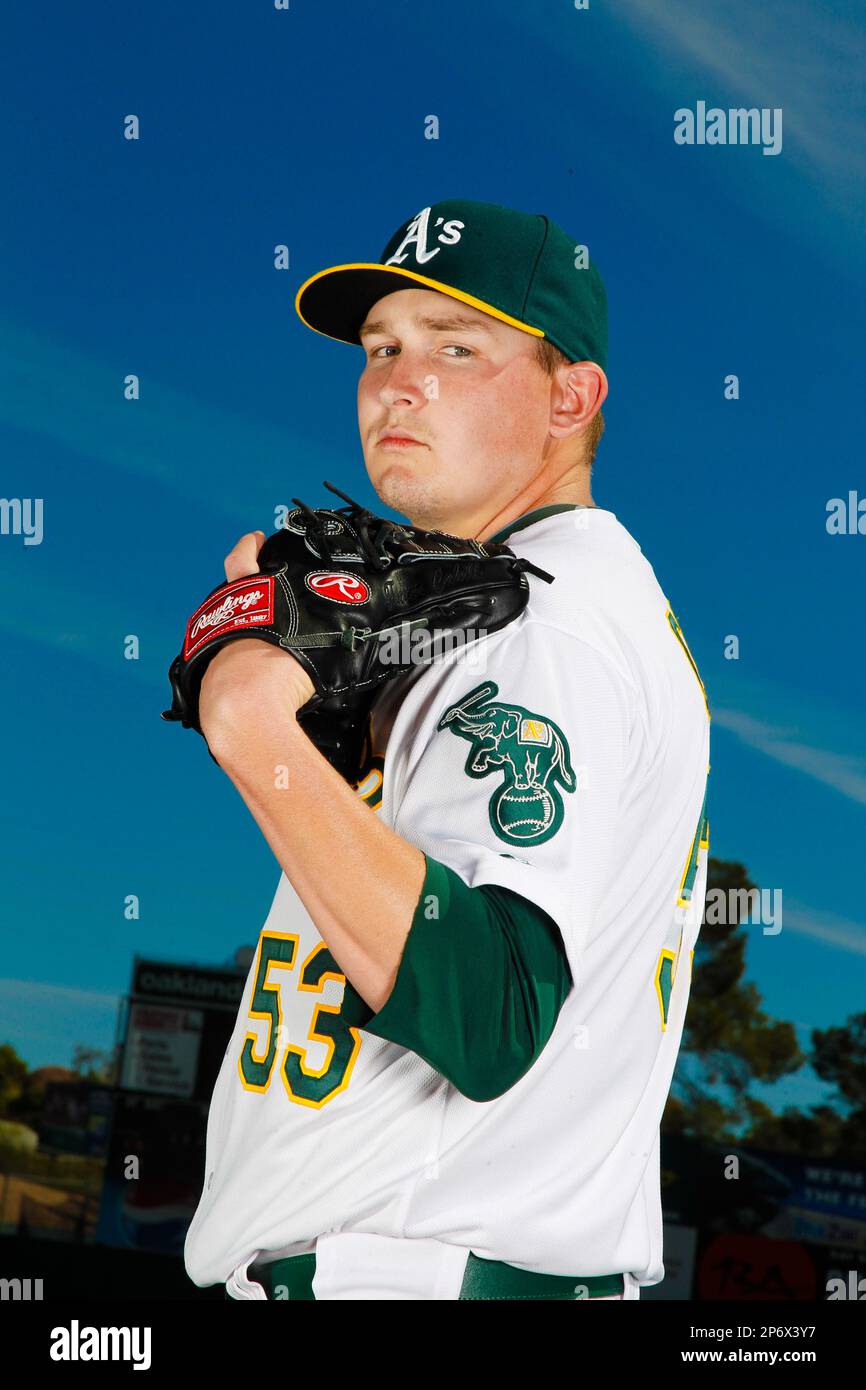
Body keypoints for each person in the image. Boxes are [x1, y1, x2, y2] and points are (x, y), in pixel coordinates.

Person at [182, 198, 710, 1301]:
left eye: (456, 348)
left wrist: (254, 727)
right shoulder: (510, 608)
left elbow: (493, 1007)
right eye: (382, 348)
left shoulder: (545, 620)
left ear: (571, 396)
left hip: (413, 1275)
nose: (396, 382)